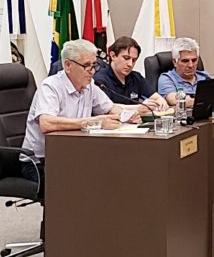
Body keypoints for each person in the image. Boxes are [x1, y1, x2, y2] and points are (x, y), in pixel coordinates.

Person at [20, 39, 135, 194]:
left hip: (73, 156)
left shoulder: (89, 86)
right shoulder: (51, 87)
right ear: (68, 65)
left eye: (94, 65)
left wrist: (132, 114)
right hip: (40, 162)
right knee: (87, 184)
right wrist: (94, 122)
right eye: (87, 65)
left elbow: (110, 108)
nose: (92, 71)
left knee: (115, 173)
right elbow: (46, 124)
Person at [92, 36, 168, 112]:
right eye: (126, 58)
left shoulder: (136, 77)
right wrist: (138, 108)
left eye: (134, 60)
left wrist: (161, 102)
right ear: (113, 56)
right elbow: (106, 107)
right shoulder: (100, 80)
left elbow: (156, 97)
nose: (130, 64)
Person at [158, 37, 212, 107]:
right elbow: (174, 100)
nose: (191, 65)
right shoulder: (167, 78)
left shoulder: (204, 76)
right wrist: (207, 100)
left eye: (194, 60)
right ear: (175, 62)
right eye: (185, 61)